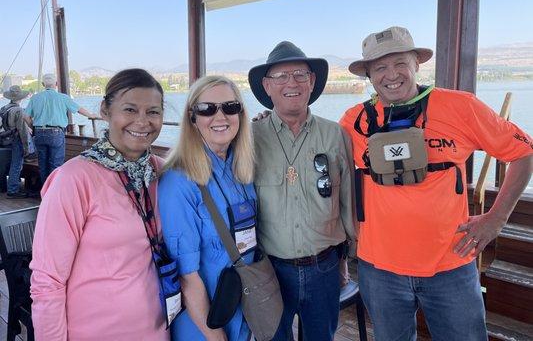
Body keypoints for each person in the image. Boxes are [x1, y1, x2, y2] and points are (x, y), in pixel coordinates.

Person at [339, 26, 533, 341]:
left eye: (400, 63)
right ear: (370, 76)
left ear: (417, 63)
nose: (392, 75)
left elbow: (524, 153)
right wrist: (269, 124)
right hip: (379, 269)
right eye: (380, 68)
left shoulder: (461, 107)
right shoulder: (354, 121)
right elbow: (317, 151)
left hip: (451, 265)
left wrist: (496, 219)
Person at [30, 68, 169, 340]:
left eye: (153, 112)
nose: (143, 122)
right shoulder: (74, 179)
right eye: (130, 109)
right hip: (95, 331)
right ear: (105, 111)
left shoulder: (161, 173)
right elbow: (48, 281)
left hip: (158, 329)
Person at [248, 41, 356, 341]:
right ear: (267, 86)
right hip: (270, 270)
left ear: (312, 82)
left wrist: (344, 260)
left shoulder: (335, 134)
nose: (291, 83)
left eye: (299, 74)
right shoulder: (249, 137)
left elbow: (346, 201)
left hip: (325, 268)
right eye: (281, 77)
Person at [159, 75, 256, 341]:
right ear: (193, 119)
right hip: (206, 324)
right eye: (207, 109)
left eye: (230, 106)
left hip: (245, 311)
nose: (220, 116)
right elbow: (187, 277)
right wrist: (216, 337)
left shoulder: (242, 170)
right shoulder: (179, 182)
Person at [24, 72, 97, 184]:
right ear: (56, 84)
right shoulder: (63, 97)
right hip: (55, 133)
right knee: (56, 165)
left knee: (43, 164)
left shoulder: (35, 98)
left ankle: (46, 192)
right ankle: (53, 193)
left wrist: (32, 126)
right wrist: (91, 115)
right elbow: (79, 109)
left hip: (39, 132)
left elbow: (26, 116)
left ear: (43, 84)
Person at [1, 85, 36, 198]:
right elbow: (22, 131)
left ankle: (11, 187)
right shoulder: (19, 111)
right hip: (16, 140)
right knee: (16, 165)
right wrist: (26, 148)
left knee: (12, 164)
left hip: (5, 139)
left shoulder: (4, 108)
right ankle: (13, 190)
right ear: (20, 98)